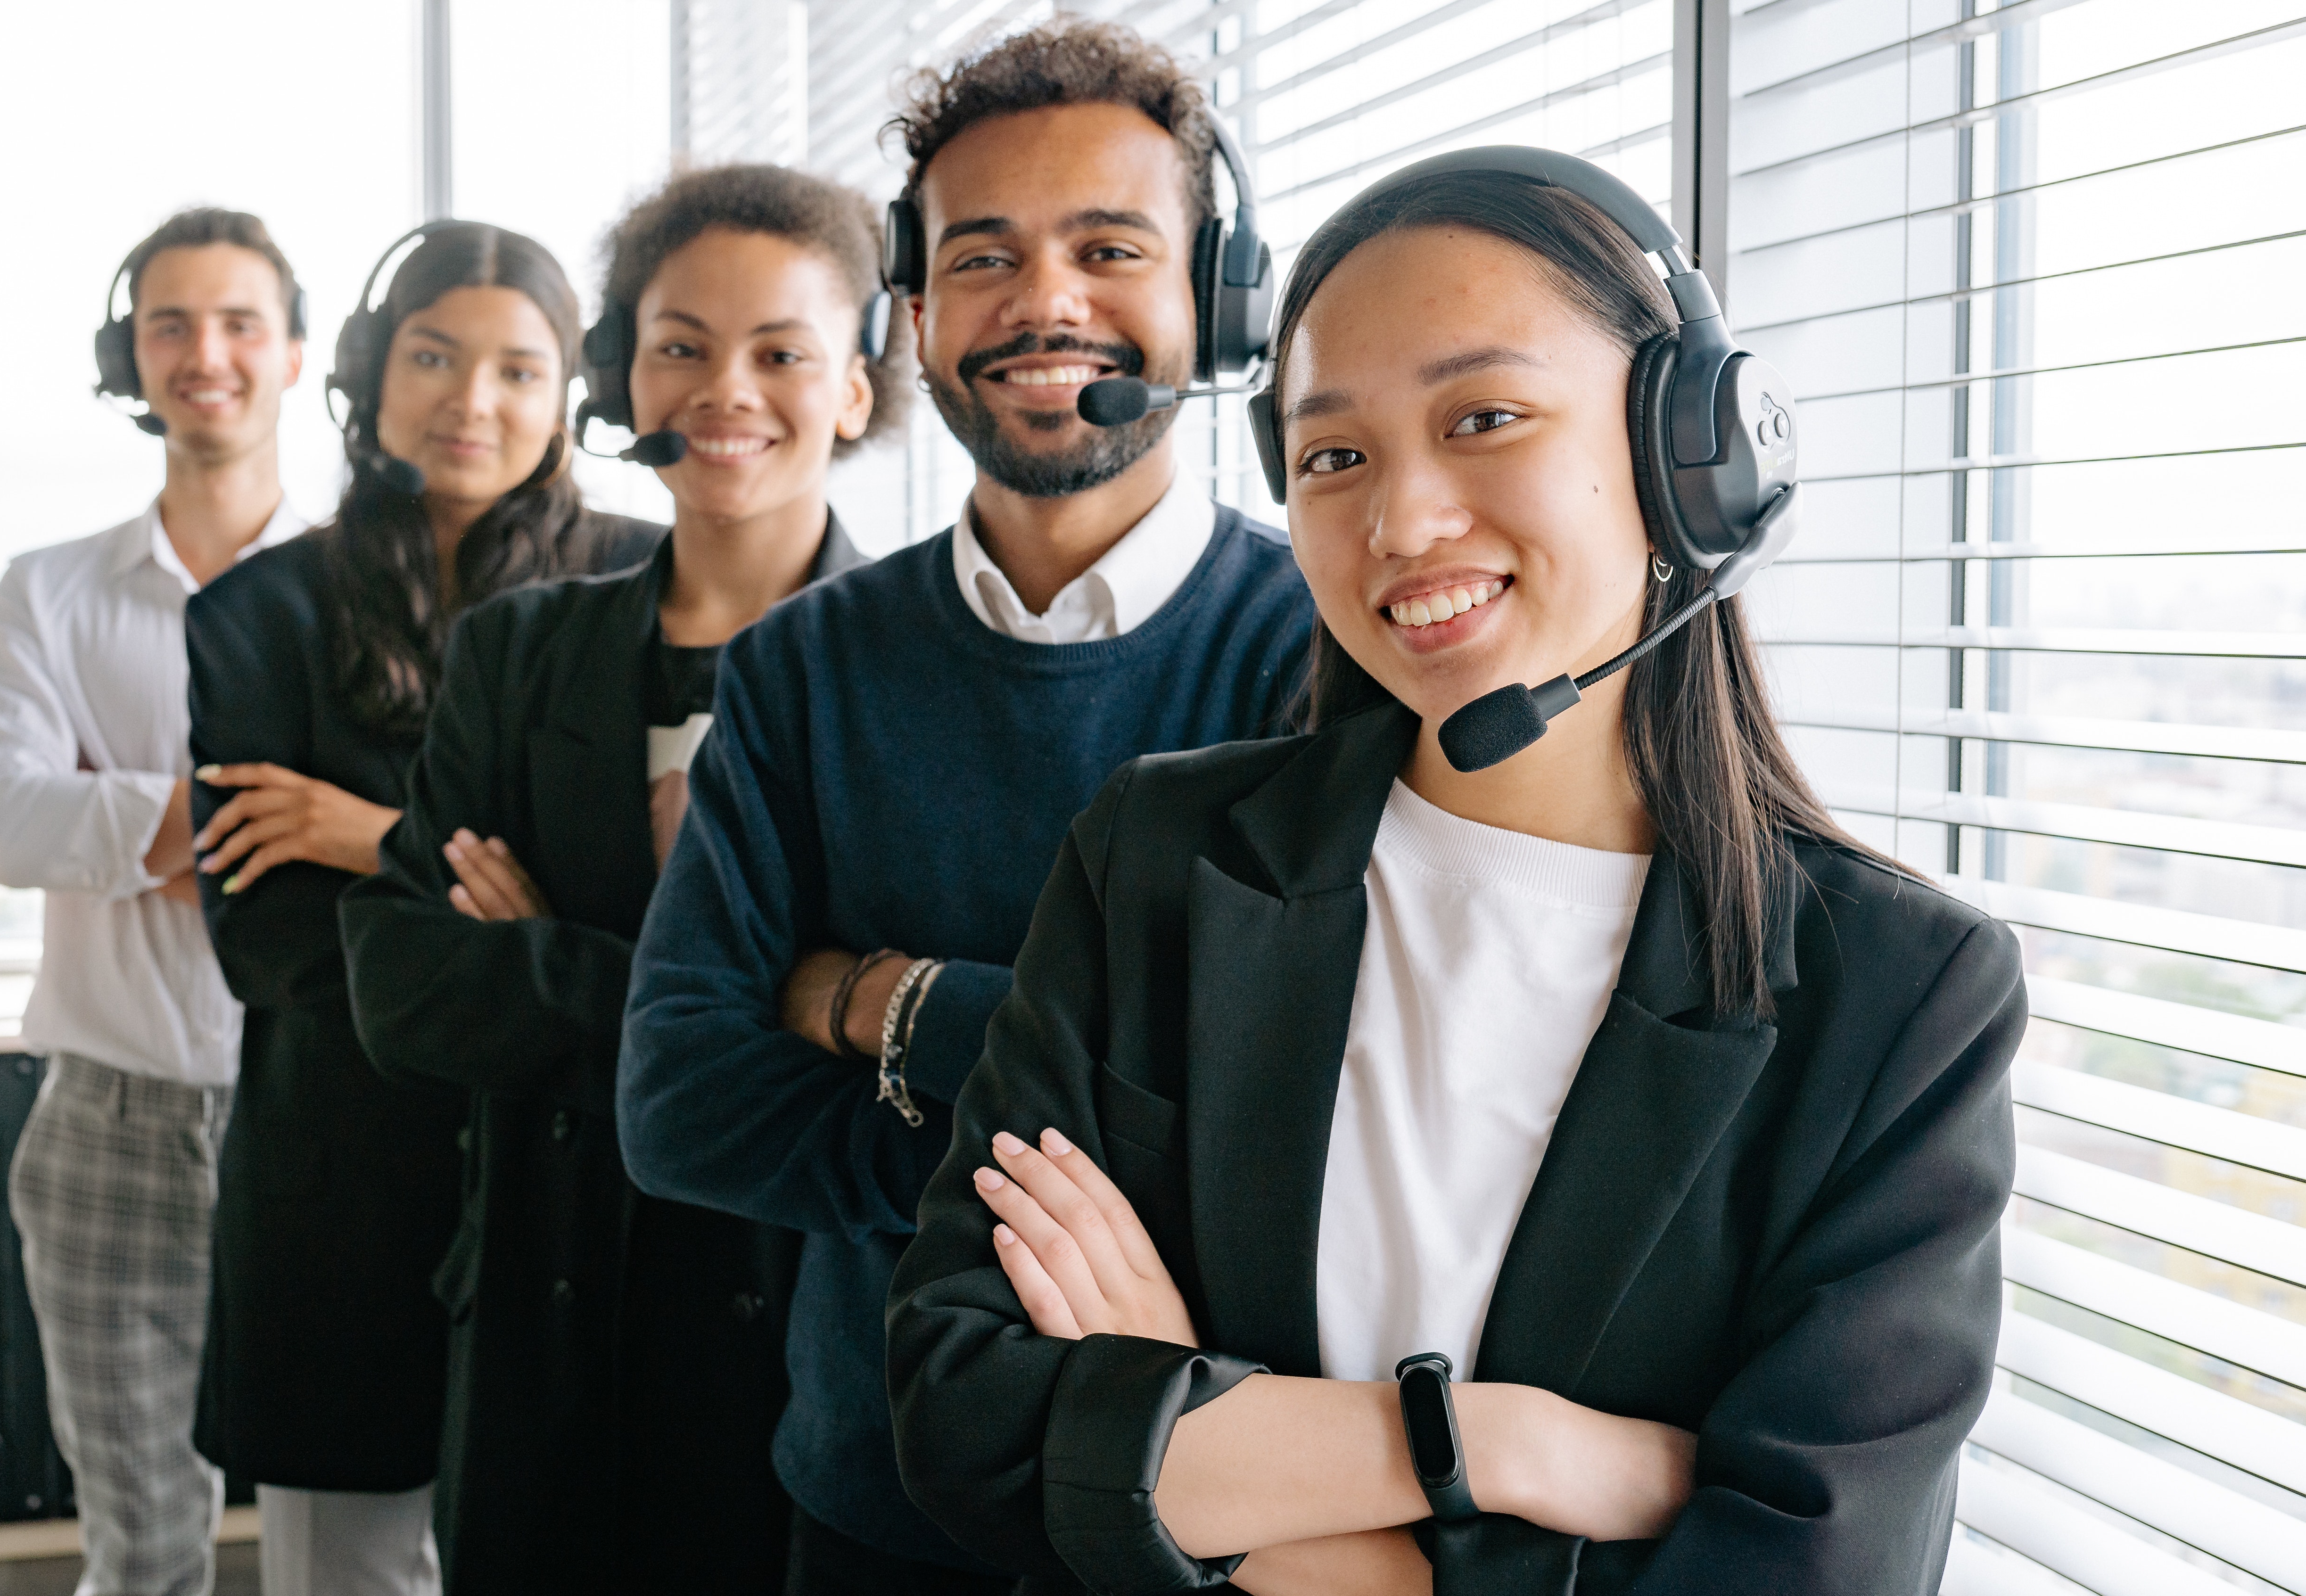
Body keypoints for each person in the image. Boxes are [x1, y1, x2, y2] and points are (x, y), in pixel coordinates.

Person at [887, 157, 2027, 1595]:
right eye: (1332, 456)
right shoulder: (1162, 860)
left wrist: (1223, 1473)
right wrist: (1507, 1446)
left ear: (1693, 451)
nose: (1401, 521)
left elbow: (1807, 1569)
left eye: (1484, 418)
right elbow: (968, 1411)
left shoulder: (1899, 996)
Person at [616, 19, 1317, 1595]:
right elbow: (677, 1102)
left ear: (1212, 296)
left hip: (1205, 1507)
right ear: (918, 316)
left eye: (1109, 247)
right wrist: (1090, 1141)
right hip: (868, 1502)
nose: (1045, 301)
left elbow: (1280, 1129)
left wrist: (875, 997)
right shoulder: (798, 667)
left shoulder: (1326, 663)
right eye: (984, 256)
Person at [338, 165, 901, 1595]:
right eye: (681, 345)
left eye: (782, 351)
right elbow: (402, 983)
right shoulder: (518, 652)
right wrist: (754, 1002)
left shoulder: (916, 670)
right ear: (621, 376)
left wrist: (559, 957)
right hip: (546, 1312)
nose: (729, 388)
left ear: (854, 388)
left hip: (811, 1335)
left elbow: (919, 1039)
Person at [185, 221, 659, 1596]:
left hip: (580, 1173)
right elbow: (267, 939)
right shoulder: (257, 611)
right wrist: (515, 924)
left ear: (571, 393)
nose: (474, 400)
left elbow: (663, 931)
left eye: (521, 368)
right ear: (369, 379)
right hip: (336, 1174)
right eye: (435, 358)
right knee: (341, 1570)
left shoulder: (652, 584)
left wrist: (374, 837)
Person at [0, 206, 305, 1596]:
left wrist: (131, 806)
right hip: (107, 1115)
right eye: (170, 322)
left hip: (328, 1108)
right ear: (131, 352)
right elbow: (8, 821)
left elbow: (406, 837)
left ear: (293, 354)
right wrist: (264, 812)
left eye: (238, 322)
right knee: (144, 1544)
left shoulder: (368, 585)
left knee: (357, 1532)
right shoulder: (49, 591)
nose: (204, 353)